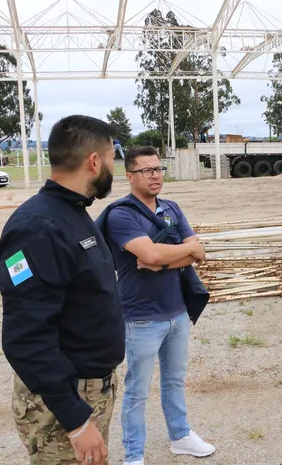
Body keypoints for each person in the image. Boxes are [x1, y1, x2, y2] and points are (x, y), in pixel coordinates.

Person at [0, 115, 123, 465]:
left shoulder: (74, 213)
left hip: (90, 390)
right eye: (113, 158)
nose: (115, 167)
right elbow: (25, 337)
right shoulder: (38, 228)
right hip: (65, 400)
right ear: (94, 161)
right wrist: (76, 418)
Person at [96, 146, 214, 465]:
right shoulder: (122, 215)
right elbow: (151, 254)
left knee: (174, 380)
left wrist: (162, 261)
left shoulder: (171, 208)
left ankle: (180, 436)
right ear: (129, 175)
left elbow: (194, 250)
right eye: (147, 170)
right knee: (137, 391)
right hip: (141, 317)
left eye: (159, 169)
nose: (155, 176)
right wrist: (172, 254)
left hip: (177, 312)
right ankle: (134, 455)